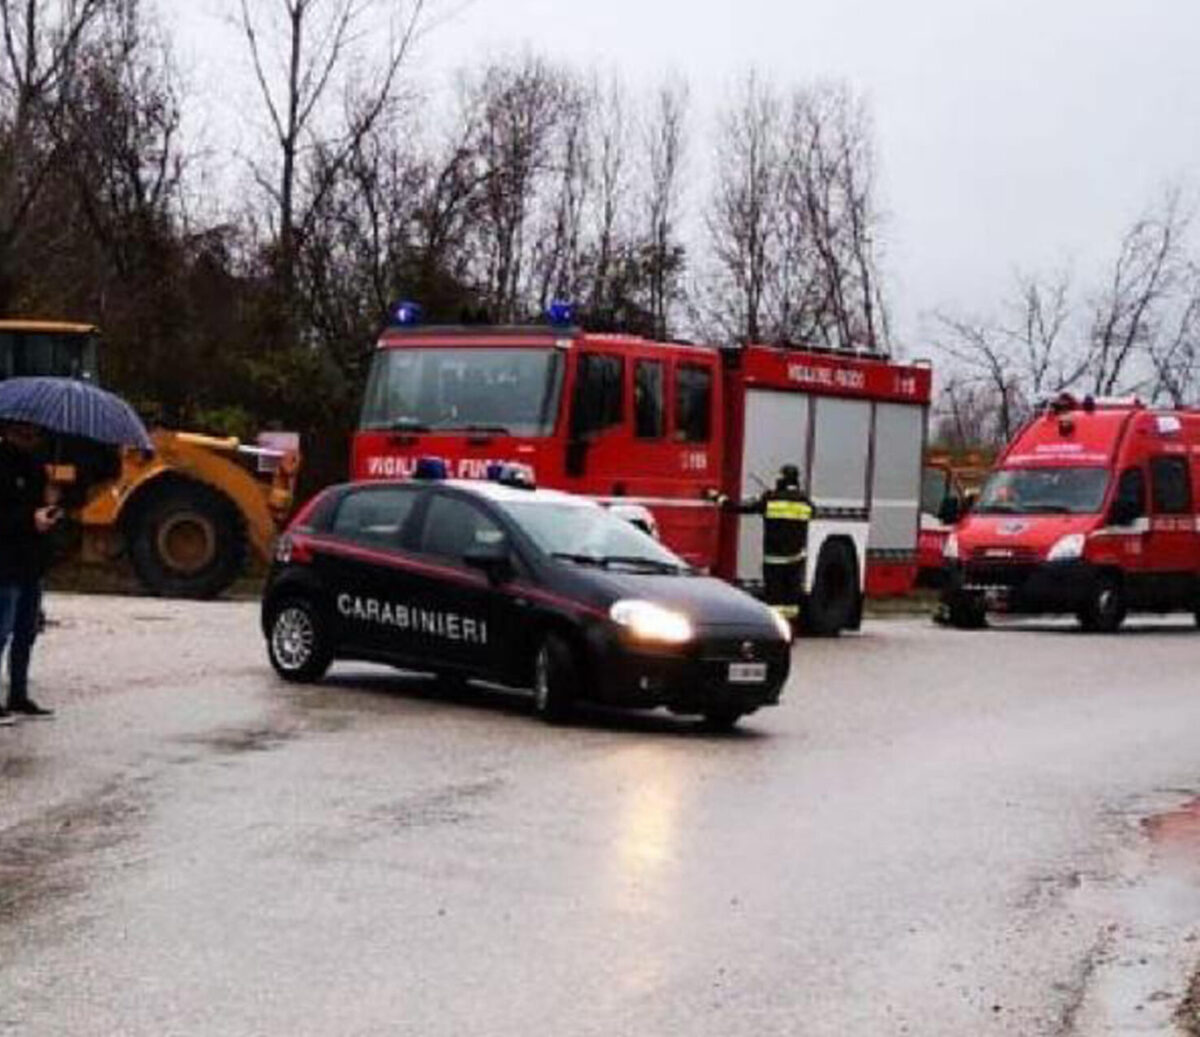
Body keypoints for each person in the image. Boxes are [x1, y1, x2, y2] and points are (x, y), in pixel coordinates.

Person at [0, 421, 60, 723]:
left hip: (31, 562)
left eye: (35, 433)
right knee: (2, 631)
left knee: (26, 631)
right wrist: (29, 518)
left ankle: (19, 694)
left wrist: (50, 508)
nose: (32, 437)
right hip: (5, 562)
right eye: (25, 432)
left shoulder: (36, 467)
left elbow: (40, 511)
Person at [717, 464, 814, 621]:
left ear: (781, 479)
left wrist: (720, 499)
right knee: (791, 597)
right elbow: (811, 513)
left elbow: (738, 509)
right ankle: (791, 624)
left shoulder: (770, 499)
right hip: (795, 559)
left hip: (774, 559)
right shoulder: (804, 502)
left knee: (774, 596)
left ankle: (774, 623)